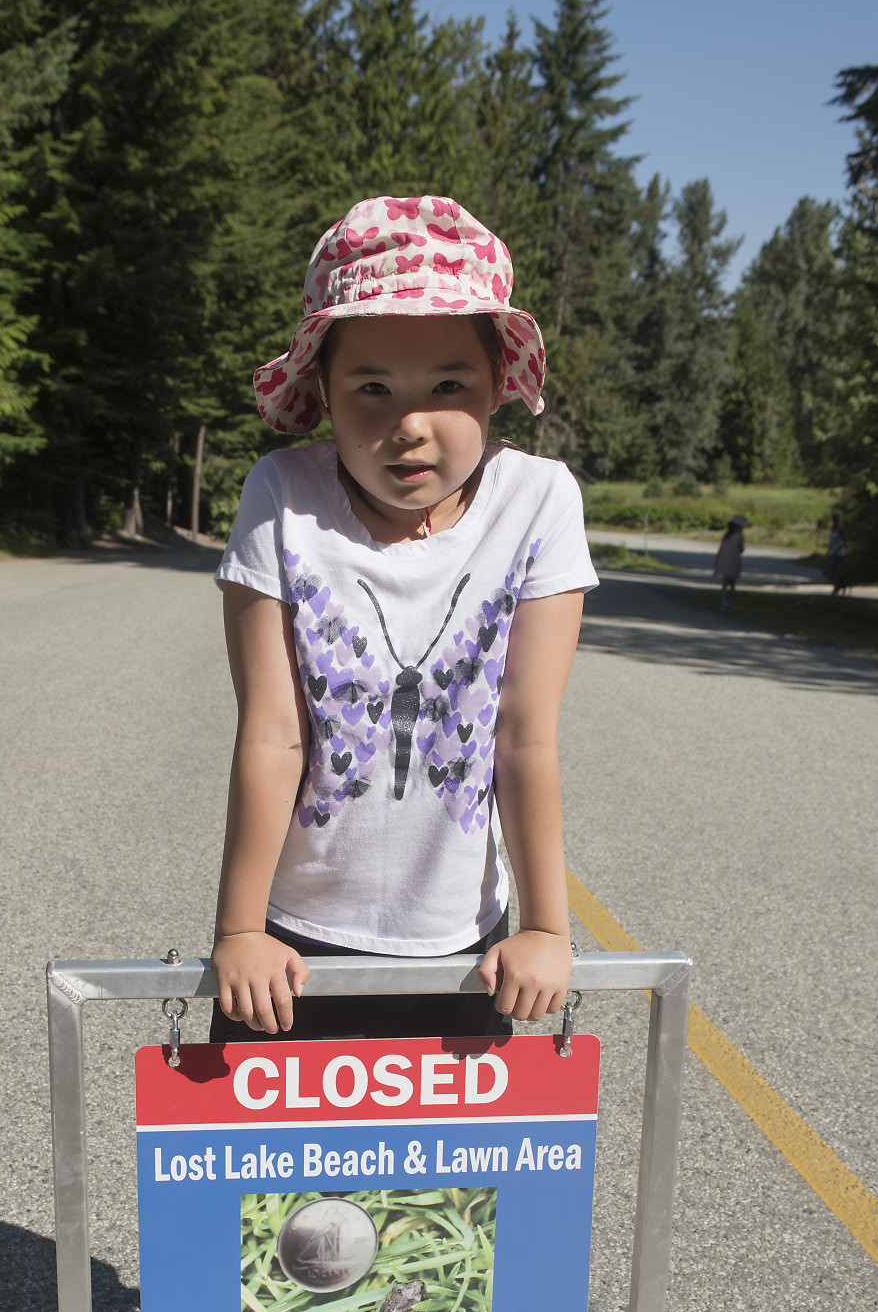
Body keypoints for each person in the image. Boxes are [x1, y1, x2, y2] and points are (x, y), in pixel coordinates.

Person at [210, 194, 598, 1043]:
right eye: (372, 388)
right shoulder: (281, 495)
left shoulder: (539, 502)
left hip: (463, 944)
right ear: (322, 390)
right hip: (294, 939)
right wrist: (240, 931)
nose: (409, 426)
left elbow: (522, 736)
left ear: (497, 384)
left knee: (456, 1140)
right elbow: (273, 733)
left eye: (448, 385)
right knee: (270, 1138)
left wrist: (546, 927)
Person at [713, 513, 748, 612]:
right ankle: (731, 603)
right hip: (734, 561)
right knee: (732, 584)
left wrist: (717, 559)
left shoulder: (727, 536)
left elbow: (721, 548)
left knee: (724, 583)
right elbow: (741, 550)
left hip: (724, 560)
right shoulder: (739, 536)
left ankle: (724, 602)